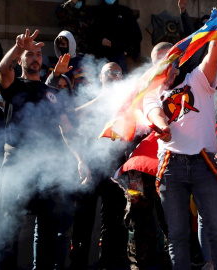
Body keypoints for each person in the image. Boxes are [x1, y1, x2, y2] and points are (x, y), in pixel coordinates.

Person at [144, 9, 217, 270]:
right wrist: (162, 127)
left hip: (205, 164)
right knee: (178, 235)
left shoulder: (198, 79)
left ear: (179, 58)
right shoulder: (150, 91)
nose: (167, 66)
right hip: (171, 167)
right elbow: (154, 112)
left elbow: (213, 56)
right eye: (160, 62)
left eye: (170, 59)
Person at [0, 28, 89, 270]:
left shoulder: (52, 93)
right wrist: (17, 47)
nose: (36, 57)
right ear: (21, 60)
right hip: (17, 163)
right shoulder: (14, 86)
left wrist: (80, 158)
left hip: (48, 167)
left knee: (47, 227)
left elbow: (67, 129)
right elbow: (3, 70)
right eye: (30, 54)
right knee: (9, 226)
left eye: (38, 54)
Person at [69, 62, 131, 269]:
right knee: (83, 223)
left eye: (118, 73)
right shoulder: (93, 101)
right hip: (92, 167)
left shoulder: (128, 104)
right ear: (101, 78)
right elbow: (67, 123)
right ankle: (78, 264)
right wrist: (80, 160)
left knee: (114, 222)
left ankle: (108, 264)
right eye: (109, 73)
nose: (114, 76)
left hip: (116, 168)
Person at [88, 0, 142, 73]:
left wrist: (128, 50)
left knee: (120, 81)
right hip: (101, 57)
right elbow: (90, 34)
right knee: (100, 81)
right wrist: (100, 41)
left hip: (120, 56)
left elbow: (136, 34)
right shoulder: (96, 12)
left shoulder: (125, 11)